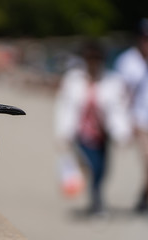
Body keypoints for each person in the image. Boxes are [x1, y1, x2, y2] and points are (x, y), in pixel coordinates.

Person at [55, 41, 131, 215]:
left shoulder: (112, 81)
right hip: (81, 134)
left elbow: (118, 109)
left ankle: (96, 198)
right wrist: (62, 134)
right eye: (90, 58)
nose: (93, 62)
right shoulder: (73, 80)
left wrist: (122, 133)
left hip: (103, 135)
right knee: (93, 167)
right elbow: (64, 107)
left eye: (96, 59)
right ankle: (96, 201)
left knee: (103, 169)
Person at [114, 18, 148, 213]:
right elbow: (120, 96)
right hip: (140, 121)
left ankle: (143, 197)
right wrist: (125, 122)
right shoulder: (127, 62)